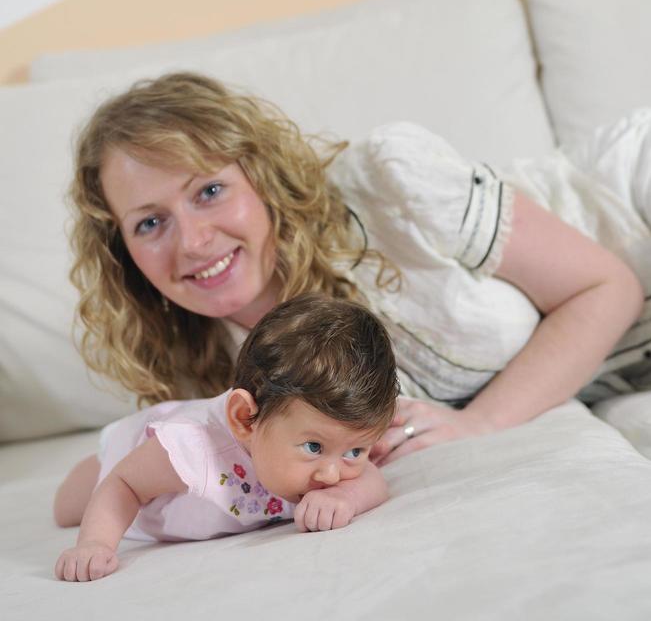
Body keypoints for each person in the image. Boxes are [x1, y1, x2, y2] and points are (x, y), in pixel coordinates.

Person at [69, 71, 647, 465]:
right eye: (150, 223)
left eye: (210, 190)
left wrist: (483, 424)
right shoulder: (210, 375)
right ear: (122, 251)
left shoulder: (388, 183)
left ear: (260, 176)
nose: (192, 242)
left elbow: (607, 287)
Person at [54, 294, 399, 582]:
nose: (332, 476)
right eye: (314, 447)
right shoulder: (191, 449)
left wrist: (347, 499)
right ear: (245, 420)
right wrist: (94, 544)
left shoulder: (324, 464)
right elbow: (123, 483)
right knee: (67, 507)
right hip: (126, 462)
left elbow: (373, 479)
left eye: (354, 450)